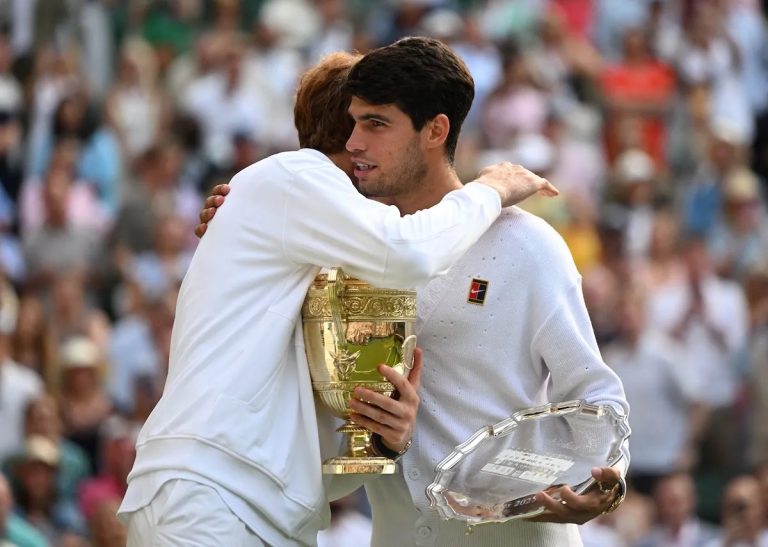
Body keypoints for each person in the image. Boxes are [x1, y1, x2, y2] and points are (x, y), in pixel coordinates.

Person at [117, 49, 558, 547]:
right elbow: (409, 253)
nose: (363, 141)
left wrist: (386, 439)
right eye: (366, 123)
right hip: (208, 498)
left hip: (257, 513)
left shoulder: (316, 235)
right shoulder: (296, 178)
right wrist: (492, 188)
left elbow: (332, 466)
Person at [200, 37, 629, 547]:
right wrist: (245, 218)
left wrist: (605, 483)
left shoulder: (529, 245)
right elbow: (327, 439)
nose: (354, 141)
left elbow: (597, 397)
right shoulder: (330, 255)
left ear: (435, 130)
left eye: (375, 124)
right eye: (353, 123)